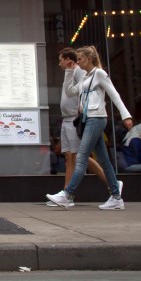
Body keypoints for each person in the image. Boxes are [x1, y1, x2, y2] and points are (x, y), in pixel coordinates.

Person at [46, 45, 133, 210]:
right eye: (76, 59)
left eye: (80, 59)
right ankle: (116, 196)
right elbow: (70, 91)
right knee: (104, 160)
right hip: (89, 119)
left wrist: (126, 115)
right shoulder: (86, 77)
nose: (77, 62)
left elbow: (114, 94)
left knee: (81, 157)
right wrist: (69, 72)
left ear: (89, 58)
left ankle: (67, 194)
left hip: (97, 118)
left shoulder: (99, 74)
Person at [51, 47, 108, 207]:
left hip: (74, 119)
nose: (59, 63)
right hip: (67, 119)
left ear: (68, 59)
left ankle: (112, 183)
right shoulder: (71, 72)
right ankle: (66, 195)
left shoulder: (79, 72)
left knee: (78, 156)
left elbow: (83, 91)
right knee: (71, 157)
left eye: (61, 59)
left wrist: (81, 109)